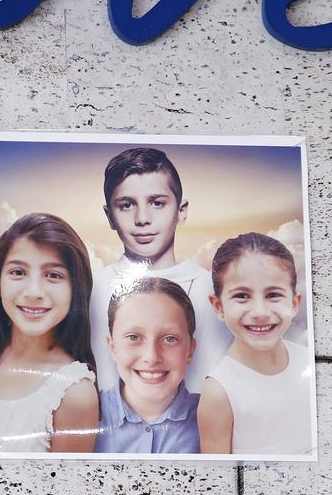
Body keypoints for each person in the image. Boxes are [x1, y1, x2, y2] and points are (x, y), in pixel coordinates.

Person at [89, 147, 229, 393]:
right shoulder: (91, 287)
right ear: (109, 216)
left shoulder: (213, 291)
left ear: (181, 211)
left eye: (157, 203)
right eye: (126, 205)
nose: (142, 218)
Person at [0, 212, 99, 453]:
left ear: (75, 290)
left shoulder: (74, 394)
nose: (33, 291)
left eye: (53, 275)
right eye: (18, 272)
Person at [198, 231, 314, 456]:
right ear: (218, 306)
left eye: (273, 295)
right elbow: (217, 476)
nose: (260, 312)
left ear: (294, 303)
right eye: (241, 296)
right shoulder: (219, 392)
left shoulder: (308, 362)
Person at [94, 279, 200, 453]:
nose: (151, 357)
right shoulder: (84, 414)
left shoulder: (216, 417)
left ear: (190, 350)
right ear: (112, 347)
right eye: (134, 337)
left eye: (169, 339)